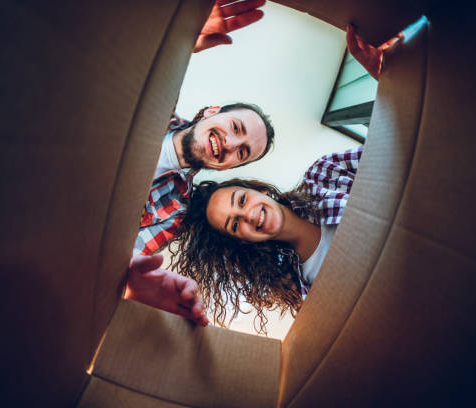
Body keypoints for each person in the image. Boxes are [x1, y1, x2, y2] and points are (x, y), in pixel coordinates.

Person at [125, 0, 271, 325]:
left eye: (242, 152)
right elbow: (122, 65)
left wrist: (130, 280)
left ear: (228, 168)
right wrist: (178, 40)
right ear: (210, 112)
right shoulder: (156, 100)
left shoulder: (175, 212)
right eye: (236, 128)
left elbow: (123, 258)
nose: (231, 143)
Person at [168, 146, 363, 333]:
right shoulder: (301, 291)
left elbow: (387, 156)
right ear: (243, 241)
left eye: (242, 200)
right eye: (235, 225)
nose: (249, 216)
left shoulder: (324, 175)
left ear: (260, 190)